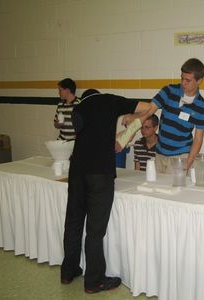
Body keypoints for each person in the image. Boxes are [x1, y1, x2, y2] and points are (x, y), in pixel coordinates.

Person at [61, 89, 151, 294]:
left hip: (76, 171)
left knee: (73, 222)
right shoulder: (109, 100)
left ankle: (68, 271)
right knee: (95, 230)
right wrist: (133, 117)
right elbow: (147, 107)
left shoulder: (78, 108)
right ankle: (94, 281)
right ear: (99, 94)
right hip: (99, 173)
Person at [122, 58, 204, 174]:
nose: (183, 83)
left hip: (180, 156)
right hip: (159, 153)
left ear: (199, 81)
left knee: (174, 191)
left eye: (188, 80)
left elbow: (198, 139)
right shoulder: (169, 91)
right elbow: (150, 109)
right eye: (182, 78)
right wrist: (133, 116)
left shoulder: (202, 107)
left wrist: (188, 162)